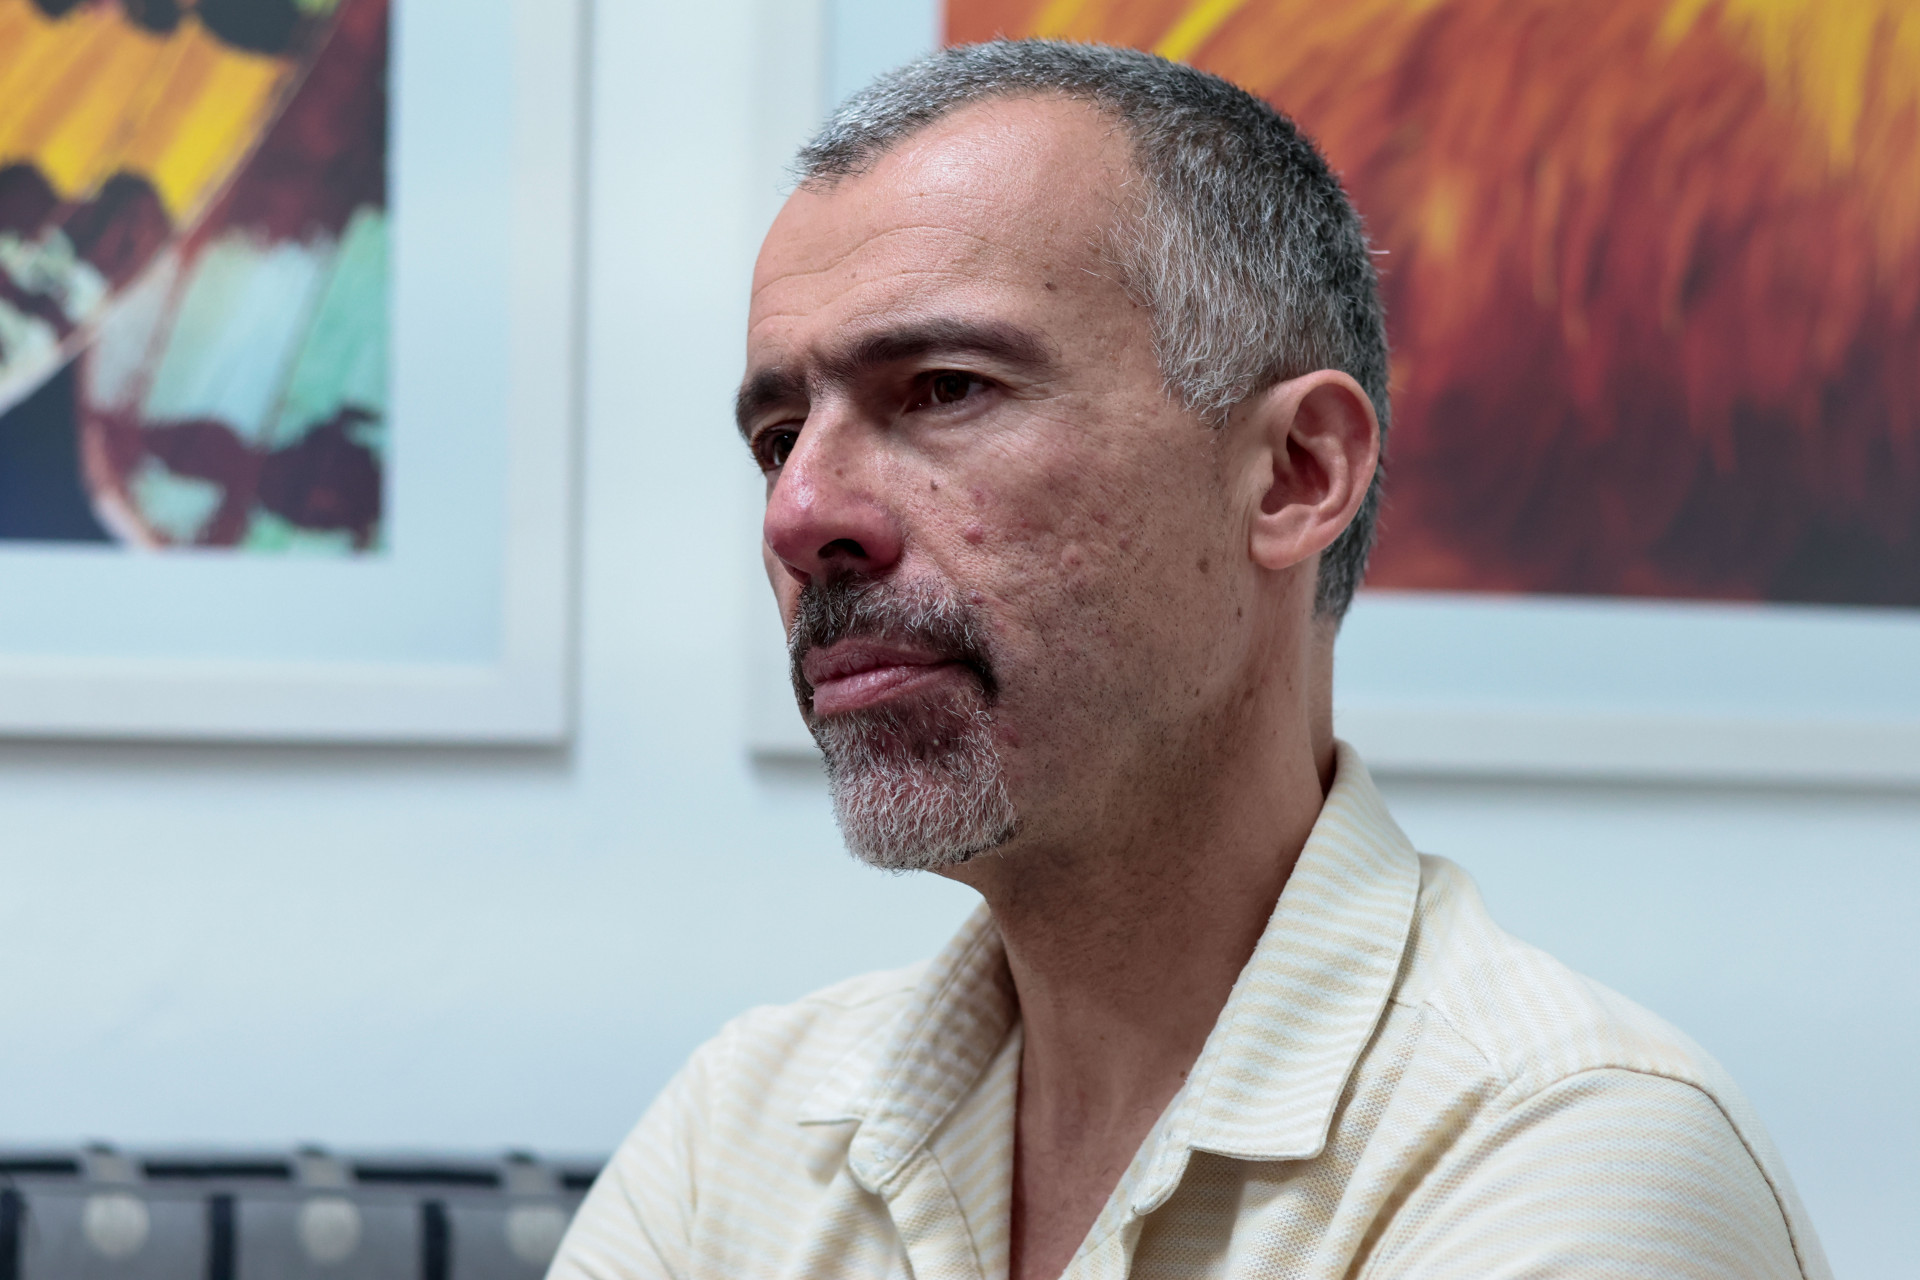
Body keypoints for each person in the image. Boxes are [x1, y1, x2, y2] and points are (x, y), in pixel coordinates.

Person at [551, 41, 1829, 1280]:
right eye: (779, 437)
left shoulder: (1568, 1149)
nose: (798, 514)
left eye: (943, 388)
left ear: (1294, 473)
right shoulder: (748, 1135)